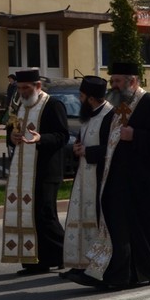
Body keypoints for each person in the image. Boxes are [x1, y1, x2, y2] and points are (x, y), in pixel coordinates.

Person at [86, 62, 150, 289]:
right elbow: (111, 144)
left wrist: (136, 135)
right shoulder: (120, 106)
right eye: (112, 81)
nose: (113, 86)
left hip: (146, 181)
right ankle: (123, 274)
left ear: (132, 81)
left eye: (117, 81)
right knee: (123, 229)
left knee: (149, 228)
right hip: (122, 181)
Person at [2, 68, 68, 274]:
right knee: (26, 216)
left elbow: (62, 136)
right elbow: (10, 132)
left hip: (46, 171)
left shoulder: (53, 105)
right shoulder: (18, 105)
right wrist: (11, 138)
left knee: (44, 215)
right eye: (19, 88)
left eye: (26, 88)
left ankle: (64, 254)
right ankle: (34, 261)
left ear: (38, 86)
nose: (22, 92)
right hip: (22, 171)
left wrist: (40, 139)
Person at [61, 76, 112, 281]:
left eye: (81, 96)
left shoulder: (111, 115)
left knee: (95, 221)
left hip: (100, 177)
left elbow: (113, 148)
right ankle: (79, 263)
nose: (78, 99)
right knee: (79, 219)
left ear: (90, 98)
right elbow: (84, 139)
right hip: (84, 175)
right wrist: (78, 148)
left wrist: (88, 152)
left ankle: (94, 264)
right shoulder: (89, 114)